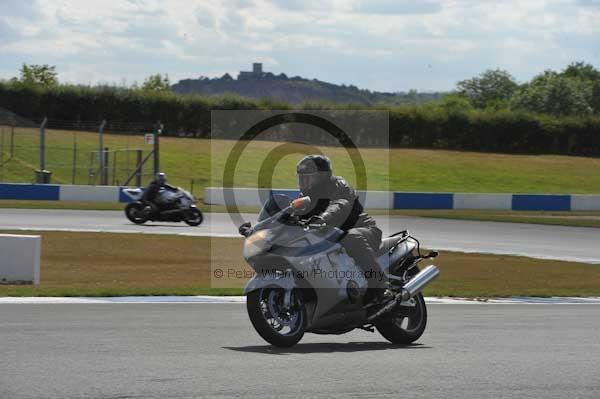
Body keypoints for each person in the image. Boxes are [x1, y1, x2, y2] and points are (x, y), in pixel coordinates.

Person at [295, 155, 387, 302]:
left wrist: (323, 217)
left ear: (322, 176)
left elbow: (340, 204)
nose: (303, 182)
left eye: (308, 177)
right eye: (301, 178)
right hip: (333, 238)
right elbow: (290, 215)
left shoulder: (338, 185)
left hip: (365, 230)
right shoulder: (305, 198)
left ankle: (380, 286)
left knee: (350, 237)